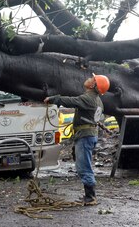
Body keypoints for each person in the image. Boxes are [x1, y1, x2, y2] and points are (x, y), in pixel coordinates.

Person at [44, 73, 110, 206]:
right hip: (88, 135)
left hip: (85, 136)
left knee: (83, 167)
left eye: (92, 79)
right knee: (83, 164)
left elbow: (71, 101)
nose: (89, 79)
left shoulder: (88, 98)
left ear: (93, 85)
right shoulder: (97, 100)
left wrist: (53, 99)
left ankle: (91, 197)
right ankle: (89, 195)